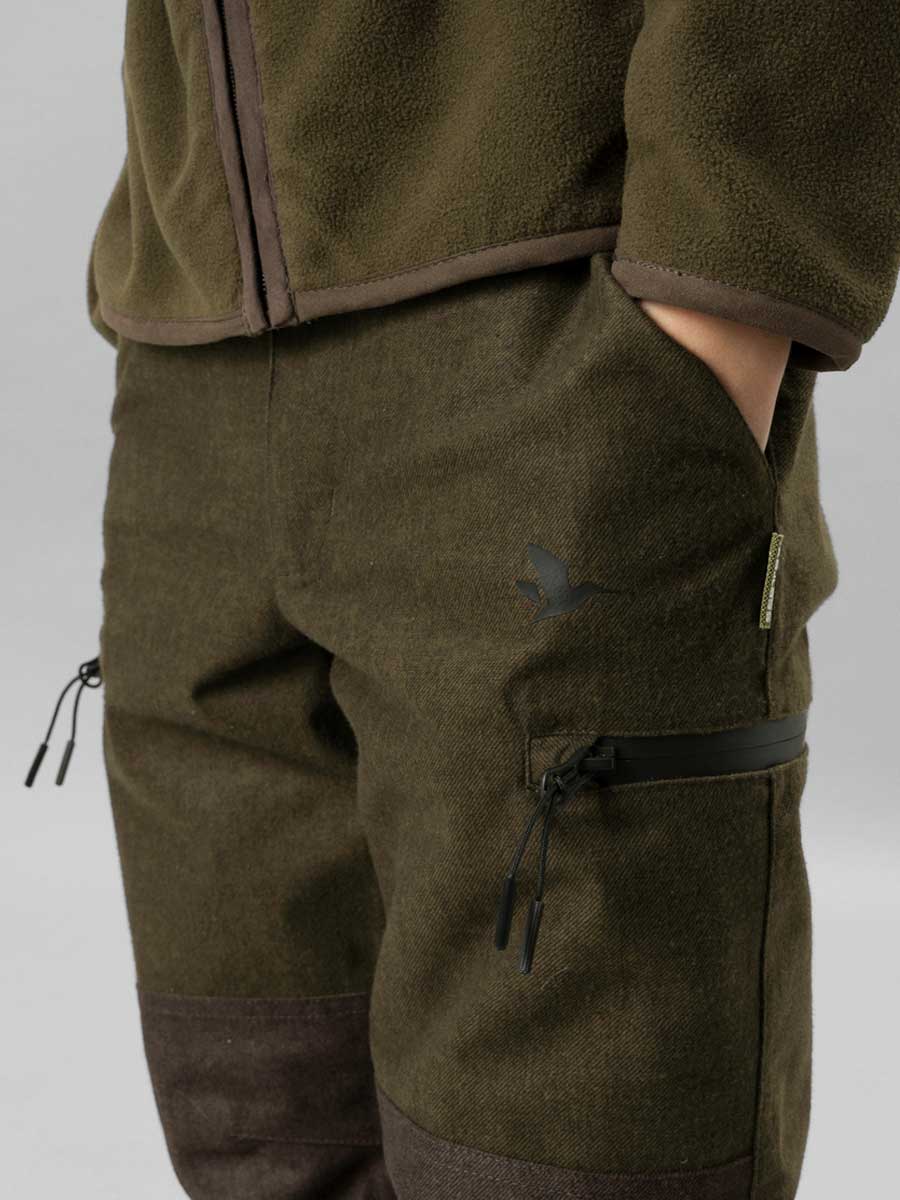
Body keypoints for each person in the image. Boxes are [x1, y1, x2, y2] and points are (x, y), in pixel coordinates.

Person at [46, 4, 900, 1198]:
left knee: (574, 1152)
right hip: (193, 363)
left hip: (540, 327)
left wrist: (723, 293)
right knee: (253, 1120)